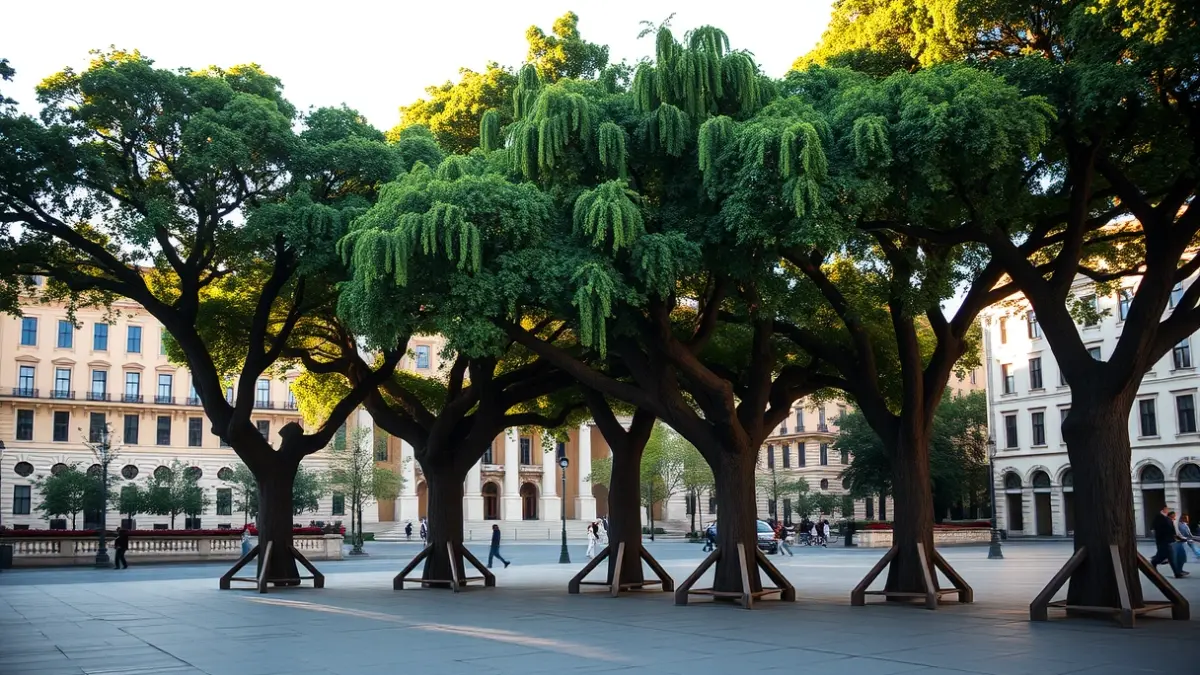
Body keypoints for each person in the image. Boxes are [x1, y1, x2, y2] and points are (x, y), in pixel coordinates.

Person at [1150, 505, 1186, 578]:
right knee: (1163, 556)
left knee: (1171, 557)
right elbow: (1157, 529)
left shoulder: (1167, 518)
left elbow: (1171, 530)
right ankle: (1154, 562)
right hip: (1163, 541)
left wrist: (1178, 537)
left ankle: (1177, 573)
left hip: (1169, 541)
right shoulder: (1159, 517)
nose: (1168, 510)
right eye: (1167, 509)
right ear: (1163, 509)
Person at [1169, 511, 1188, 576]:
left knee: (1182, 557)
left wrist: (1184, 538)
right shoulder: (1169, 523)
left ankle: (1180, 570)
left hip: (1179, 542)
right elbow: (1174, 534)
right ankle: (1177, 572)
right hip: (1173, 543)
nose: (1174, 517)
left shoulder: (1175, 523)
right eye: (1173, 516)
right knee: (1176, 558)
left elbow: (1178, 533)